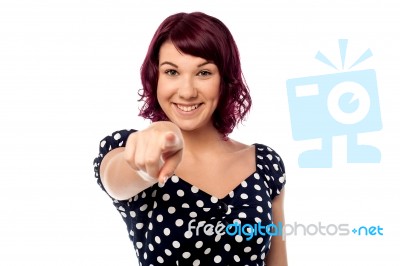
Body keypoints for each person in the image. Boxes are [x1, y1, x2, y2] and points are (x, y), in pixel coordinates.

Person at [93, 11, 287, 265]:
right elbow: (116, 180)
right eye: (172, 72)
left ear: (224, 80)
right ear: (156, 77)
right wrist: (149, 159)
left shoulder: (265, 164)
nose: (187, 91)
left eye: (204, 73)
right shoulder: (133, 148)